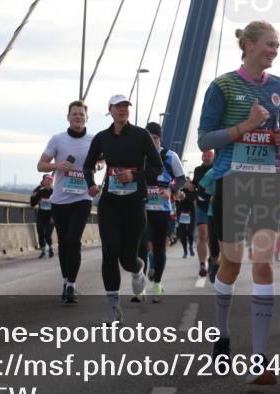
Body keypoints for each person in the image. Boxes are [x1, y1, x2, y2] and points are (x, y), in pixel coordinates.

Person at [197, 21, 280, 386]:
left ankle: (259, 358)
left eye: (277, 46)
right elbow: (205, 137)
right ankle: (221, 336)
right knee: (232, 264)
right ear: (249, 45)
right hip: (231, 181)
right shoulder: (221, 86)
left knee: (262, 262)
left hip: (267, 182)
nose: (274, 51)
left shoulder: (279, 87)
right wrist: (244, 126)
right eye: (269, 44)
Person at [83, 96, 162, 322]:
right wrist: (90, 184)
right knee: (109, 252)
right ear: (110, 110)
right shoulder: (102, 138)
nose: (123, 110)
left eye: (126, 107)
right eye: (119, 107)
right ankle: (113, 307)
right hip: (110, 203)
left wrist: (134, 175)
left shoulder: (141, 135)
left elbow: (157, 168)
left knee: (128, 258)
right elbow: (88, 165)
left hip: (134, 203)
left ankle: (138, 269)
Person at [37, 100, 96, 303]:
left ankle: (71, 284)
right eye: (75, 114)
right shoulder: (58, 140)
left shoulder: (93, 139)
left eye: (81, 114)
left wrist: (97, 165)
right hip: (60, 199)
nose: (78, 117)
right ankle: (65, 280)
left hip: (82, 197)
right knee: (63, 243)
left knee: (74, 240)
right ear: (68, 117)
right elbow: (40, 165)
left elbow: (104, 160)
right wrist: (57, 166)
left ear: (87, 118)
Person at [140, 121, 185, 303]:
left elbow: (180, 179)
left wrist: (170, 190)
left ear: (160, 139)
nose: (152, 142)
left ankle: (157, 283)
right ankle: (141, 286)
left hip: (161, 209)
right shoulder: (139, 156)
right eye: (149, 139)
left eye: (155, 139)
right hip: (142, 209)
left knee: (159, 248)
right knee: (141, 249)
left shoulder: (169, 156)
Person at [190, 149, 215, 277]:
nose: (206, 158)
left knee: (212, 236)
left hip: (214, 206)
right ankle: (202, 264)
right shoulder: (197, 170)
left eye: (209, 156)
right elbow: (194, 185)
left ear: (213, 157)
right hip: (201, 205)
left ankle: (212, 260)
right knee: (202, 234)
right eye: (204, 156)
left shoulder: (217, 168)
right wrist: (189, 186)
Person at [30, 174, 56, 258]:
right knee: (40, 233)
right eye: (46, 181)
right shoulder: (40, 191)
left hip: (50, 216)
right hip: (41, 215)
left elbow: (57, 206)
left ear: (52, 182)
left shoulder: (54, 192)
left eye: (49, 181)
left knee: (48, 235)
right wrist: (33, 196)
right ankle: (43, 251)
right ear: (43, 182)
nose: (47, 182)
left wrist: (53, 217)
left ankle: (51, 248)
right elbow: (33, 204)